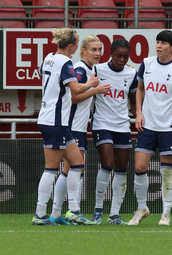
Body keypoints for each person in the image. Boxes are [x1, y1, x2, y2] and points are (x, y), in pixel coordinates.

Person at [32, 28, 100, 225]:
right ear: (72, 45)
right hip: (55, 121)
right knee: (51, 169)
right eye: (77, 42)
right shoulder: (65, 62)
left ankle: (72, 211)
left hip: (53, 120)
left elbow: (43, 74)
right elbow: (76, 88)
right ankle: (40, 214)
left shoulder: (49, 57)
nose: (78, 45)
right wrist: (92, 84)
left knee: (77, 163)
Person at [128, 30, 172, 226]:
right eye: (157, 42)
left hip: (169, 127)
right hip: (147, 126)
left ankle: (166, 213)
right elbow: (139, 89)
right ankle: (142, 208)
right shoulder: (146, 63)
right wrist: (138, 112)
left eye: (163, 43)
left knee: (166, 171)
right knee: (139, 167)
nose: (158, 46)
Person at [49, 35, 111, 225]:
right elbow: (72, 98)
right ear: (82, 50)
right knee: (74, 168)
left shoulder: (89, 69)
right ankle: (72, 210)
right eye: (93, 50)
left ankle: (56, 213)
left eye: (100, 49)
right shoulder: (80, 70)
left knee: (68, 170)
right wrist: (95, 90)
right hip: (72, 125)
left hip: (78, 127)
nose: (98, 53)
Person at [90, 38, 138, 225]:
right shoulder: (98, 70)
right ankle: (98, 210)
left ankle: (114, 215)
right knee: (107, 164)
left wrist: (139, 115)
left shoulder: (132, 73)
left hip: (122, 126)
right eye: (118, 56)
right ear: (110, 54)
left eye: (125, 56)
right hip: (102, 124)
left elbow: (133, 101)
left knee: (121, 170)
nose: (122, 60)